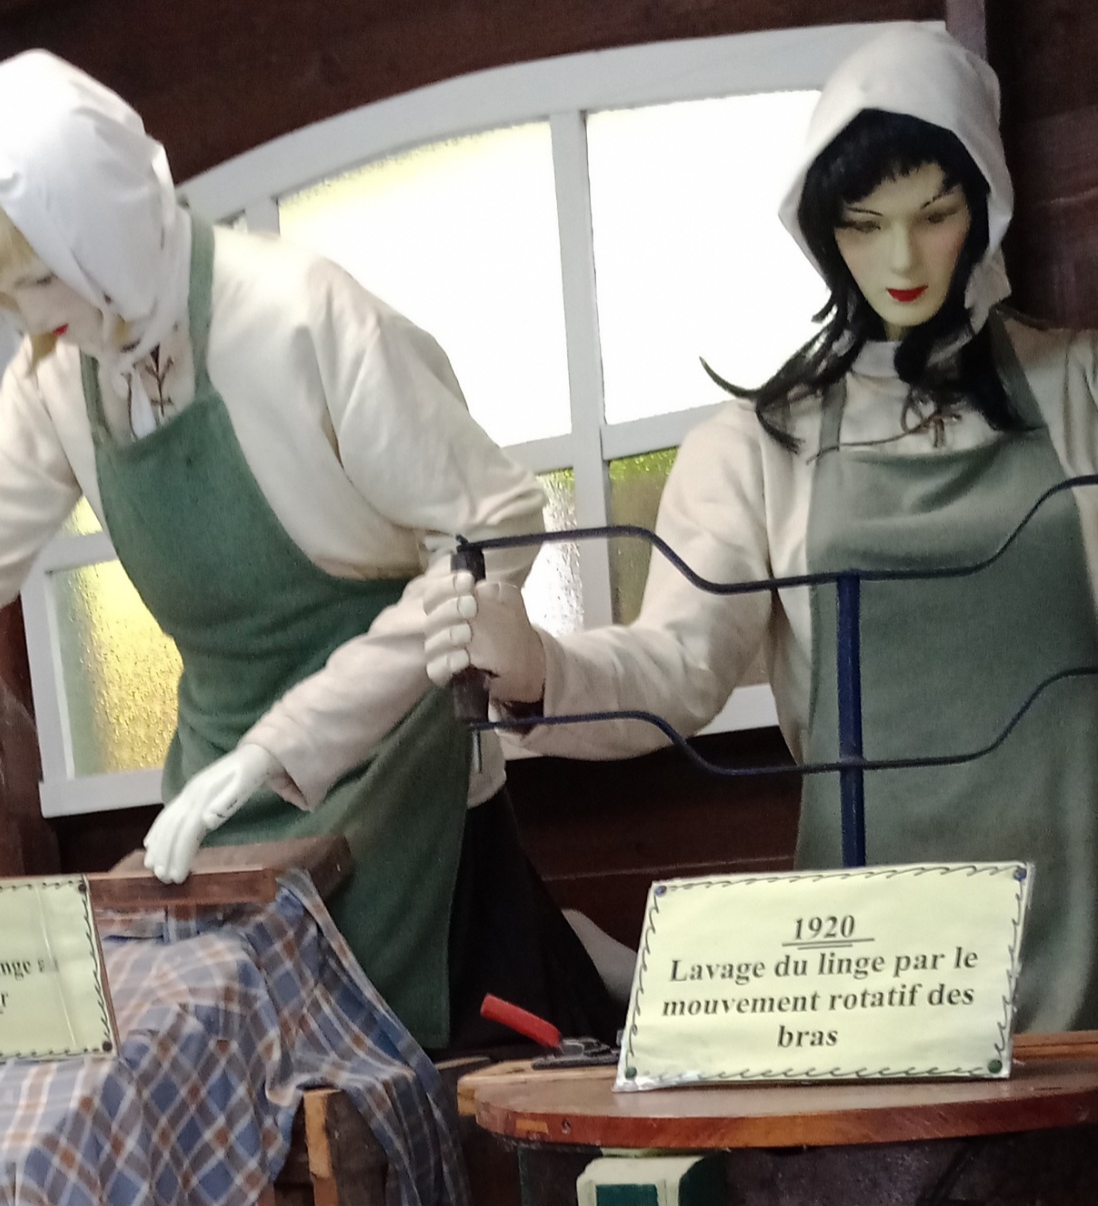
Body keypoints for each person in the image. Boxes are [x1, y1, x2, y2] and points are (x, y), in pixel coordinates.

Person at [0, 51, 617, 1053]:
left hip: (398, 763)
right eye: (0, 297)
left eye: (38, 278)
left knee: (445, 1071)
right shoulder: (63, 372)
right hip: (214, 791)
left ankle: (586, 966)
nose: (30, 322)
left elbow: (489, 523)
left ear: (100, 220)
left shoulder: (295, 311)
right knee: (238, 1069)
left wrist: (283, 748)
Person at [423, 22, 1098, 1032]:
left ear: (987, 204)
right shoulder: (759, 447)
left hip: (1083, 933)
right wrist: (538, 668)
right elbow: (675, 667)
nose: (902, 257)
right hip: (874, 968)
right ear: (822, 232)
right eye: (865, 224)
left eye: (936, 213)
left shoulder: (1084, 391)